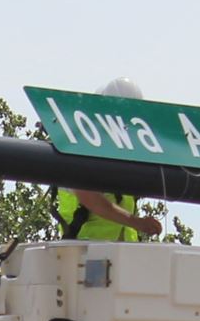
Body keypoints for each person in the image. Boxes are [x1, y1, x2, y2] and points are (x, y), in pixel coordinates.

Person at [54, 78, 165, 242]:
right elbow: (89, 197)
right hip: (83, 249)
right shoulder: (79, 148)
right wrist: (136, 222)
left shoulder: (122, 152)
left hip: (120, 251)